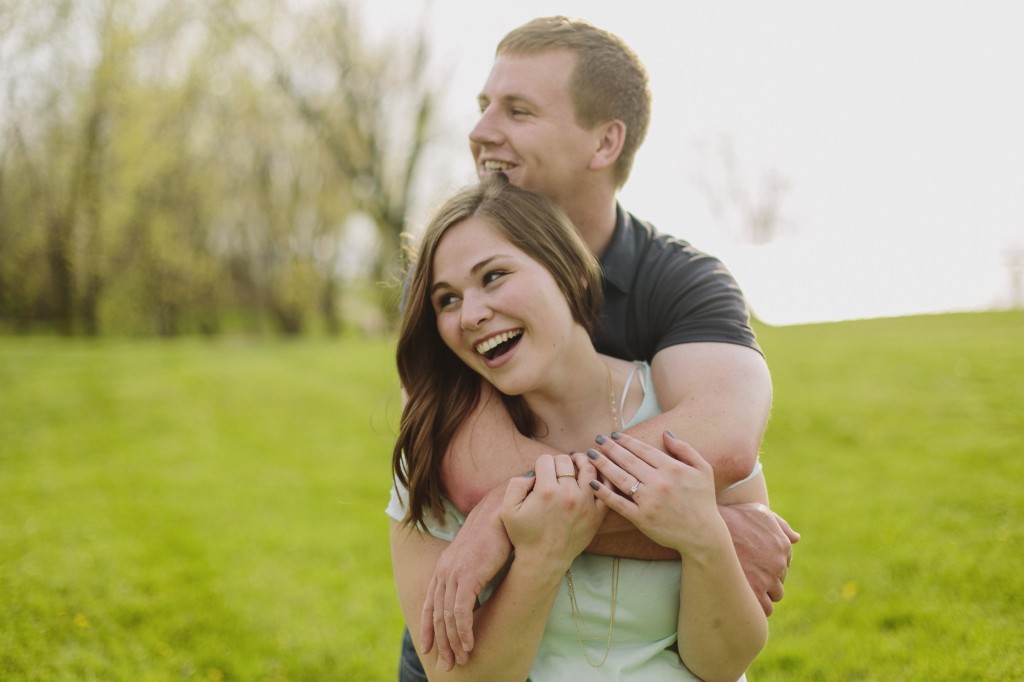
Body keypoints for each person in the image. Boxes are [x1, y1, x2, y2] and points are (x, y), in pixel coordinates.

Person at [392, 15, 799, 679]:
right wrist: (707, 533)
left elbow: (722, 441)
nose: (480, 131)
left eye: (517, 110)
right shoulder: (451, 279)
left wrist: (502, 513)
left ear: (605, 141)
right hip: (482, 633)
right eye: (483, 106)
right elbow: (475, 470)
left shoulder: (682, 281)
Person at [389, 176, 768, 680]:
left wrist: (704, 539)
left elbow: (723, 663)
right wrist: (541, 558)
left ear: (568, 271)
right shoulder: (435, 447)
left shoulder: (683, 417)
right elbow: (456, 678)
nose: (473, 314)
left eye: (495, 276)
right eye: (447, 300)